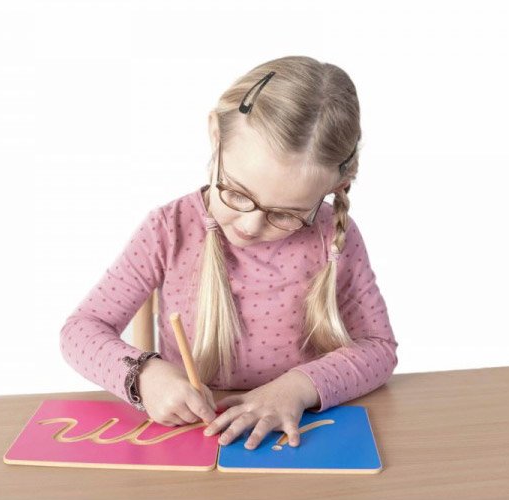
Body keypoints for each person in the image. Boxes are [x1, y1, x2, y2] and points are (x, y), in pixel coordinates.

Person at [59, 55, 399, 451]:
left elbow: (379, 348)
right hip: (193, 440)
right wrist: (144, 376)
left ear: (337, 186)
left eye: (285, 215)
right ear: (216, 137)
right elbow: (79, 330)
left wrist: (298, 388)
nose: (251, 225)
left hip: (297, 439)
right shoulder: (169, 229)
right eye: (236, 193)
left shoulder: (333, 237)